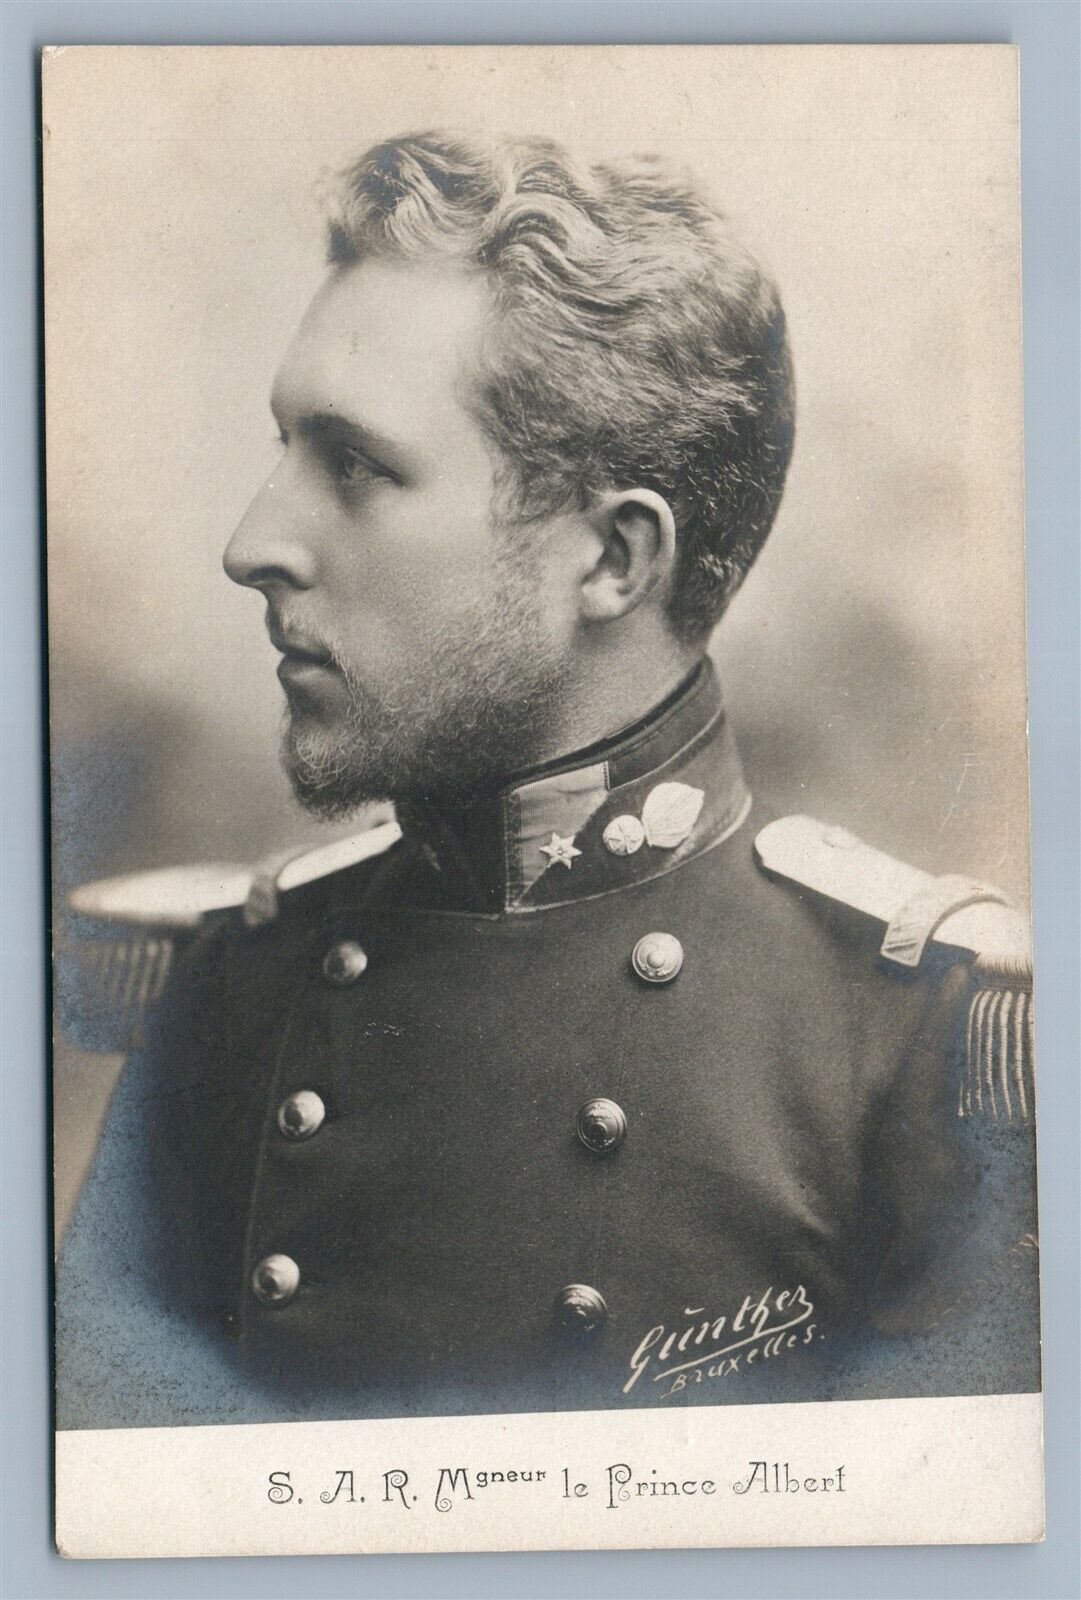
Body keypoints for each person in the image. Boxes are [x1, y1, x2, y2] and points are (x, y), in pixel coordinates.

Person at [55, 131, 1038, 1429]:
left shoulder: (908, 1030)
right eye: (286, 448)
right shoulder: (236, 983)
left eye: (354, 466)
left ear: (613, 559)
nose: (254, 544)